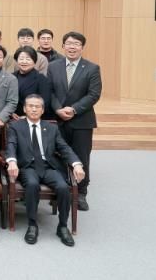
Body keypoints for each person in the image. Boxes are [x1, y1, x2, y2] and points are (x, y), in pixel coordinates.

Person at [5, 94, 86, 247]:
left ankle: (62, 226)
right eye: (30, 106)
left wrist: (76, 164)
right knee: (32, 184)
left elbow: (64, 148)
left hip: (49, 166)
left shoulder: (51, 128)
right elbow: (11, 145)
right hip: (28, 166)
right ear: (24, 109)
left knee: (63, 187)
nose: (34, 109)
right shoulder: (16, 126)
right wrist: (12, 161)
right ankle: (32, 225)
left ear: (42, 110)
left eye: (37, 106)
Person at [48, 31, 101, 211]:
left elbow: (94, 94)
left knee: (81, 157)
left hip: (82, 121)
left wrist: (74, 109)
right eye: (69, 43)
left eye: (76, 44)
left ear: (82, 47)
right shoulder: (53, 66)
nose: (72, 47)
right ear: (63, 46)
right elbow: (50, 91)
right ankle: (60, 191)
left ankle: (81, 193)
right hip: (57, 120)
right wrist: (58, 109)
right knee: (57, 156)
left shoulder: (92, 68)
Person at [13, 46, 51, 117]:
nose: (24, 61)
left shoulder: (41, 79)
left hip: (33, 118)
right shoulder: (11, 77)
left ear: (34, 61)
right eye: (21, 59)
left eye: (28, 59)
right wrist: (11, 113)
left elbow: (45, 102)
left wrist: (28, 116)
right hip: (12, 118)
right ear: (17, 60)